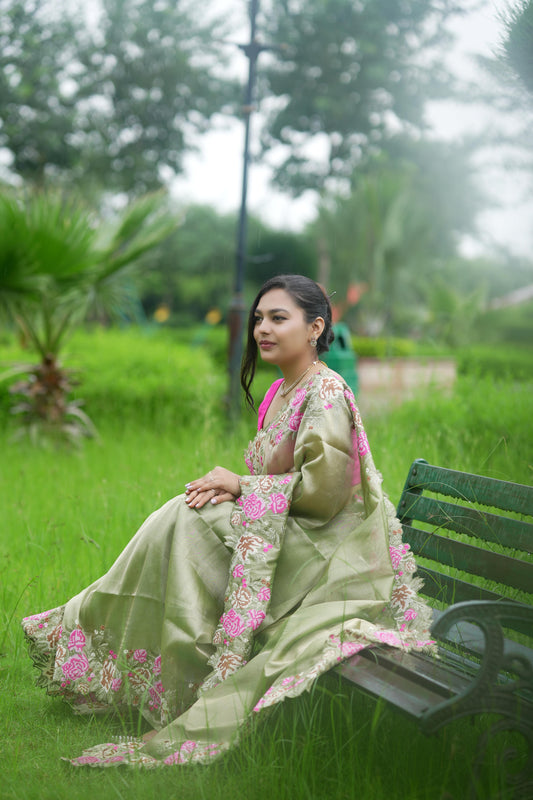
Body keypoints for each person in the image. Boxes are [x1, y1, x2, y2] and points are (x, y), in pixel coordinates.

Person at [22, 274, 434, 768]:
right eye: (259, 318)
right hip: (283, 529)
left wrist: (242, 486)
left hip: (323, 551)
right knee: (183, 515)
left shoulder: (326, 392)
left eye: (278, 318)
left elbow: (325, 494)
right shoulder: (279, 391)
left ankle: (111, 639)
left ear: (314, 327)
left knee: (186, 521)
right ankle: (117, 649)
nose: (263, 328)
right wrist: (237, 486)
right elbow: (276, 480)